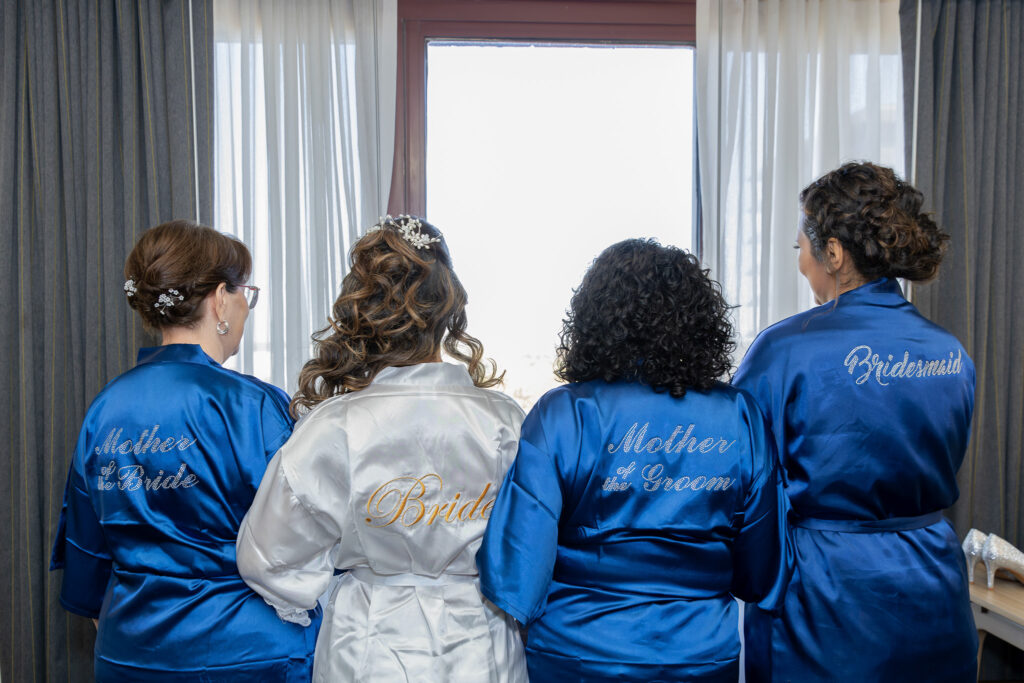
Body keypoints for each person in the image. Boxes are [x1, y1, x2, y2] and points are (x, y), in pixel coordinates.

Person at [476, 238, 785, 682]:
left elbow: (517, 573)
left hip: (578, 654)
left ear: (594, 318)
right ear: (697, 320)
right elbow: (759, 572)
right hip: (696, 655)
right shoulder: (740, 416)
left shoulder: (564, 414)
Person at [235, 215, 528, 682]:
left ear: (365, 310)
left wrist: (336, 585)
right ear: (447, 307)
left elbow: (269, 556)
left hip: (368, 641)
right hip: (481, 641)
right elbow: (529, 546)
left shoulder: (334, 425)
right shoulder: (504, 420)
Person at [734, 161, 977, 682]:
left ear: (835, 253)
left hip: (823, 593)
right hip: (934, 585)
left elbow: (739, 473)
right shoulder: (951, 352)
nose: (801, 262)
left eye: (800, 248)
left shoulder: (784, 348)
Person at [50, 220, 318, 681]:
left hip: (131, 653)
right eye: (244, 295)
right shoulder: (252, 405)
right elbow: (305, 538)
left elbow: (87, 550)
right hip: (249, 652)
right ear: (219, 298)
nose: (245, 309)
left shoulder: (106, 407)